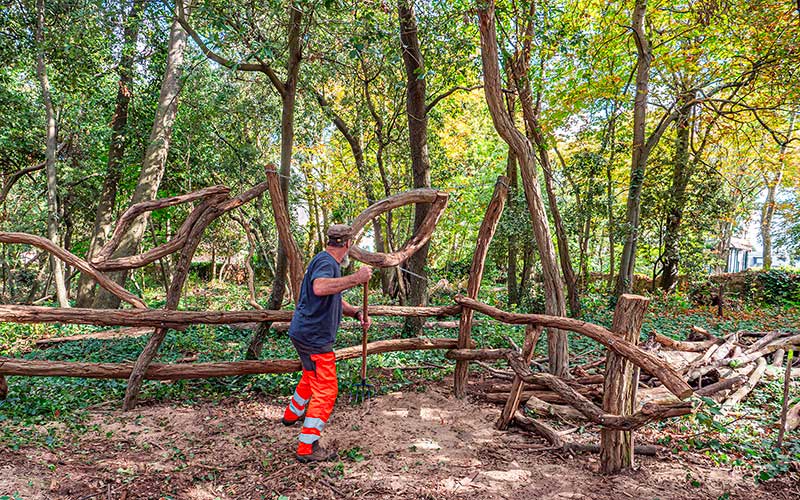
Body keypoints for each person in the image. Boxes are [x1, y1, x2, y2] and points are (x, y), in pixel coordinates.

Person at [281, 224, 372, 463]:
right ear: (348, 244)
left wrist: (356, 313)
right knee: (327, 390)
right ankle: (307, 447)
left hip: (304, 333)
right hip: (314, 338)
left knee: (311, 376)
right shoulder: (327, 263)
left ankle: (291, 415)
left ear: (330, 241)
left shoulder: (324, 261)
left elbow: (333, 297)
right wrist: (357, 278)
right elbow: (320, 287)